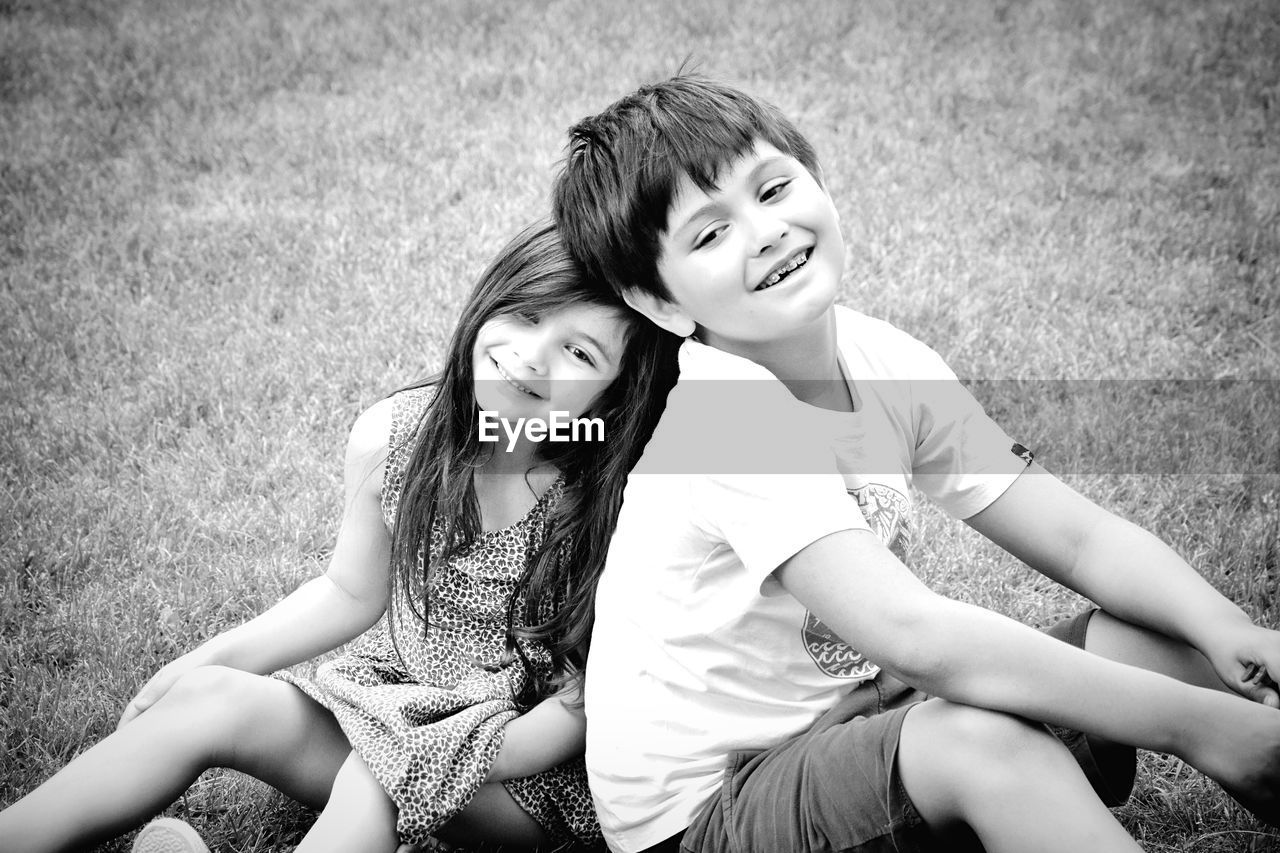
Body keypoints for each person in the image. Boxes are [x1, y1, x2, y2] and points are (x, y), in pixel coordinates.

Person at [550, 74, 1280, 853]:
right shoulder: (727, 417)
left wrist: (1226, 627)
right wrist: (1199, 728)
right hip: (708, 817)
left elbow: (1079, 540)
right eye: (709, 234)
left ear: (816, 179)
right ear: (660, 302)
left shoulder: (882, 355)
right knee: (982, 740)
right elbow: (916, 637)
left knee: (1160, 642)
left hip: (862, 725)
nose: (763, 232)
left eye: (772, 189)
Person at [0, 220, 678, 853]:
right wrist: (205, 661)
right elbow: (349, 591)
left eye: (580, 351)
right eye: (527, 316)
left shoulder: (613, 497)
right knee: (215, 699)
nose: (533, 357)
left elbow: (587, 697)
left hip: (528, 778)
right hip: (394, 711)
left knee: (379, 771)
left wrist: (436, 750)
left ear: (614, 394)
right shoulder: (399, 437)